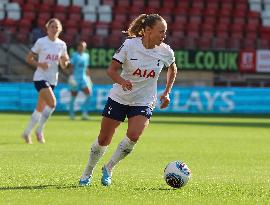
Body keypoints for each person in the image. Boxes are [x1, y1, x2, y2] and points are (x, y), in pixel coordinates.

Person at [79, 13, 177, 186]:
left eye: (165, 32)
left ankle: (109, 168)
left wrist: (167, 92)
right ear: (147, 30)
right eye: (161, 31)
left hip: (144, 100)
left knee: (134, 135)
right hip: (119, 97)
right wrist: (122, 82)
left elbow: (172, 69)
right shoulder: (129, 45)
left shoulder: (165, 51)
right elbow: (112, 70)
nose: (164, 35)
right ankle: (87, 172)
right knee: (104, 139)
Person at [22, 18, 70, 144]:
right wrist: (40, 64)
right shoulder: (41, 42)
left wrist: (65, 61)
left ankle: (26, 133)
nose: (54, 29)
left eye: (56, 27)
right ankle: (39, 130)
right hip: (40, 78)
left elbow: (64, 65)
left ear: (60, 29)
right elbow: (29, 58)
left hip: (53, 79)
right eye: (52, 26)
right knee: (53, 103)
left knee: (39, 108)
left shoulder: (62, 44)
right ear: (47, 28)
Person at [68, 41, 93, 120]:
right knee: (73, 96)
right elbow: (71, 66)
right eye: (81, 46)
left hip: (84, 79)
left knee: (89, 94)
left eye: (84, 46)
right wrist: (71, 77)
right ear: (78, 47)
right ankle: (71, 114)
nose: (82, 48)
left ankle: (84, 113)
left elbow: (86, 68)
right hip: (75, 78)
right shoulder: (74, 55)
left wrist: (89, 78)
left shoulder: (86, 55)